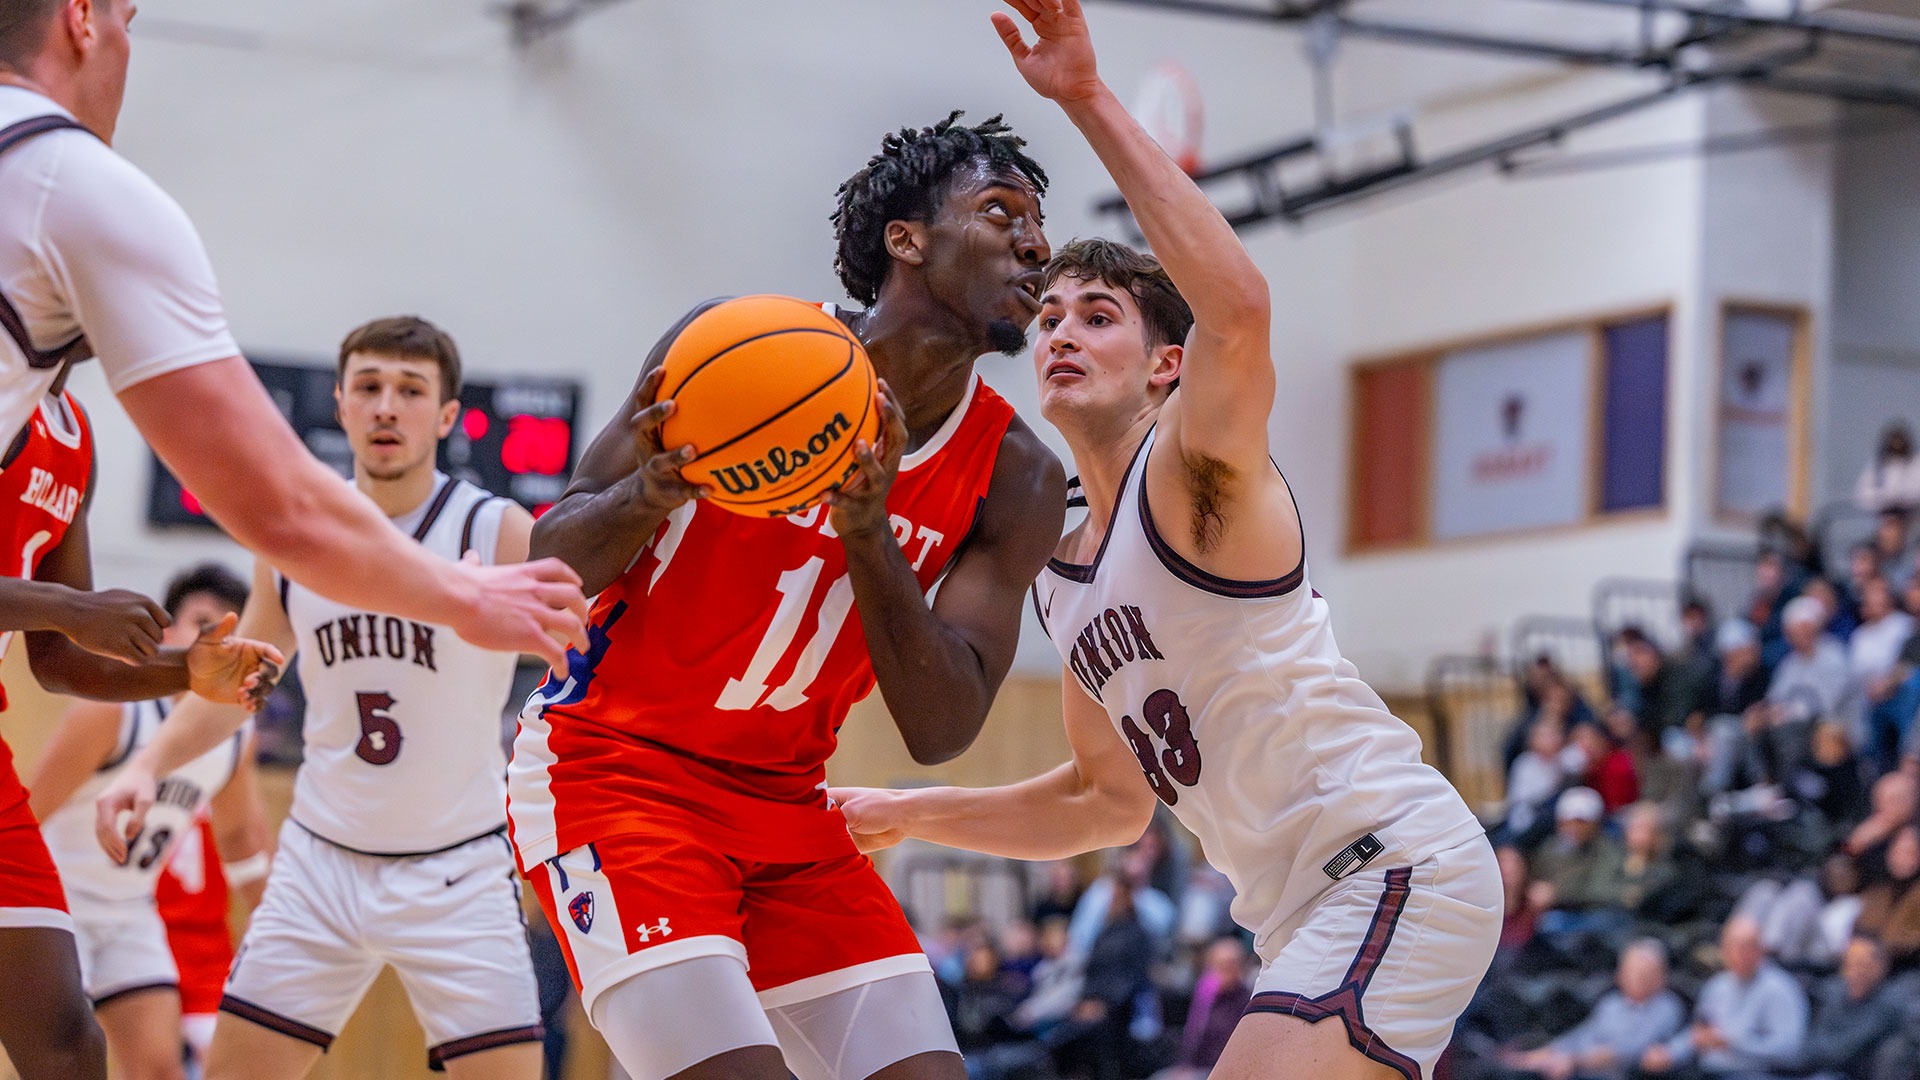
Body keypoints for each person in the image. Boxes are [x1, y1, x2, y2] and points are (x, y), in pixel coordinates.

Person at [834, 5, 1500, 1080]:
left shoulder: (1195, 477)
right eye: (1048, 318)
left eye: (1096, 315)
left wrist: (1086, 97)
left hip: (1392, 864)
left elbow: (1236, 309)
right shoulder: (1060, 574)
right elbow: (1101, 802)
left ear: (1165, 368)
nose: (1058, 333)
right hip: (1298, 911)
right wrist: (905, 812)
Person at [503, 106, 1067, 1079]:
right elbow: (546, 578)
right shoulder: (742, 355)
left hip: (788, 811)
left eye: (1040, 225)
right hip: (615, 774)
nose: (1036, 244)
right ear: (909, 239)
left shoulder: (1017, 475)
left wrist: (867, 531)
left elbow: (942, 727)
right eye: (1002, 212)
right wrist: (655, 487)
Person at [95, 317, 548, 1079]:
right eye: (368, 387)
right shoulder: (297, 534)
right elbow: (246, 679)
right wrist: (149, 765)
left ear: (445, 416)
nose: (385, 408)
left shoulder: (496, 528)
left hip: (458, 871)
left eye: (409, 391)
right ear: (339, 404)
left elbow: (590, 649)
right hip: (320, 868)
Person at [0, 379, 279, 1080]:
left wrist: (188, 671)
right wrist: (70, 607)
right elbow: (69, 632)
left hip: (125, 912)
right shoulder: (111, 720)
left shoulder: (74, 435)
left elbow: (59, 659)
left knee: (85, 1053)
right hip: (72, 882)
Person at [27, 562, 271, 1080]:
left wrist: (274, 924)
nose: (215, 642)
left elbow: (239, 839)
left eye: (229, 630)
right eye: (201, 624)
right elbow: (29, 811)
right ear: (167, 634)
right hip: (59, 907)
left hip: (130, 912)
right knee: (63, 1058)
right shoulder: (114, 713)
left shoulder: (233, 738)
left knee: (160, 1068)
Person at [1638, 916, 1807, 1078]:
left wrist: (1732, 1043)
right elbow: (1699, 1033)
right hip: (1710, 1072)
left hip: (1757, 1073)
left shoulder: (1780, 988)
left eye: (1747, 947)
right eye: (1732, 947)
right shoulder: (1717, 986)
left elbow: (1789, 1049)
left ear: (1760, 949)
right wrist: (1669, 1053)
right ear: (1723, 950)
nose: (1739, 954)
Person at [1495, 939, 1684, 1080]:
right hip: (1574, 1067)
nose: (1636, 978)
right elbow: (1580, 1036)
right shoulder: (1611, 1003)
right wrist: (1536, 1056)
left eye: (1644, 973)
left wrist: (1573, 1060)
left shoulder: (1667, 1007)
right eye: (1630, 971)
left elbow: (1629, 1050)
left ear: (1660, 977)